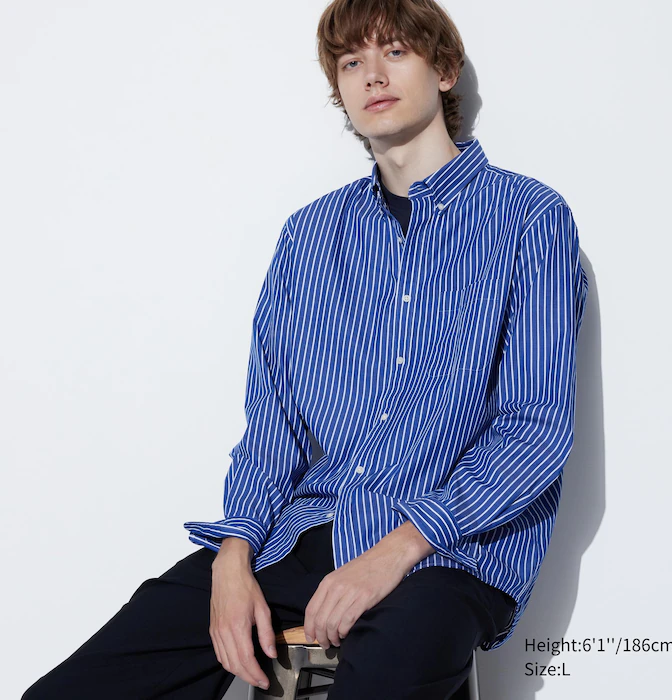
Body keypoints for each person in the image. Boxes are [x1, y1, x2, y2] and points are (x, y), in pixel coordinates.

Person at [22, 1, 588, 698]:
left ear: (444, 70)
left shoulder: (528, 218)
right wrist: (233, 559)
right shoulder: (309, 237)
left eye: (395, 52)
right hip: (307, 537)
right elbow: (273, 427)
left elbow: (535, 428)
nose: (371, 75)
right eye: (351, 61)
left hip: (450, 555)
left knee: (380, 674)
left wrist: (397, 550)